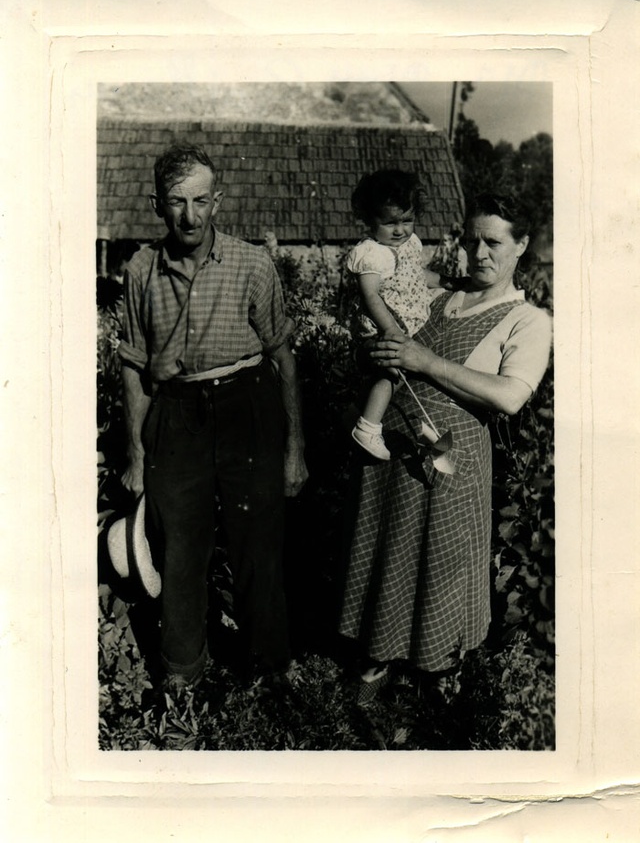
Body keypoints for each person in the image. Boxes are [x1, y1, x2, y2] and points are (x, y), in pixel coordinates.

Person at [339, 192, 552, 702]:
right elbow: (384, 317)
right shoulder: (439, 294)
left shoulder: (528, 321)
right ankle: (379, 658)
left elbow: (509, 397)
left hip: (452, 457)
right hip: (394, 442)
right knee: (390, 546)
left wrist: (424, 361)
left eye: (494, 242)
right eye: (472, 239)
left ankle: (437, 667)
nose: (479, 253)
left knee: (442, 559)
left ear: (521, 245)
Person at [118, 143, 308, 692]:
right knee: (179, 549)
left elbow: (283, 358)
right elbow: (133, 367)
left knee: (258, 545)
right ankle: (183, 674)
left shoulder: (252, 263)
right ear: (157, 204)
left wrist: (295, 448)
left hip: (248, 405)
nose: (191, 216)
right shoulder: (139, 271)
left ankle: (271, 668)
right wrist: (136, 453)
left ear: (218, 200)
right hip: (175, 414)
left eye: (202, 201)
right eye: (177, 202)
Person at [347, 169, 448, 460]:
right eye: (390, 223)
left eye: (406, 220)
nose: (400, 230)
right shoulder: (372, 253)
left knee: (401, 373)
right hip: (382, 322)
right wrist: (390, 330)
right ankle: (367, 427)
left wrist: (445, 280)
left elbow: (417, 275)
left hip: (403, 320)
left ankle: (356, 413)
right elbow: (370, 295)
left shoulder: (409, 243)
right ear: (369, 221)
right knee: (390, 371)